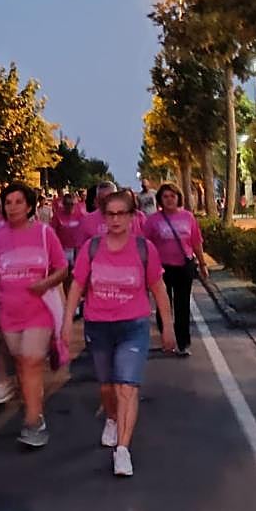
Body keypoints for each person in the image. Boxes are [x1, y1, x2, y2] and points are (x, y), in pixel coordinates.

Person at [63, 191, 174, 476]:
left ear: (132, 216)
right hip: (98, 325)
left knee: (127, 386)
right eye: (110, 214)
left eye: (121, 213)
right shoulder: (92, 248)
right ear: (103, 216)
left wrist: (167, 326)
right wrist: (66, 322)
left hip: (133, 325)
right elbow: (77, 286)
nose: (115, 219)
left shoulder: (144, 249)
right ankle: (111, 418)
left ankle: (122, 449)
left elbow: (159, 289)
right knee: (107, 386)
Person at [0, 182, 68, 447]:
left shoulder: (45, 233)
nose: (12, 207)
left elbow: (62, 268)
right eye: (8, 202)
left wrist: (45, 284)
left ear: (30, 206)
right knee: (21, 362)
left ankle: (33, 422)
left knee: (31, 360)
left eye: (18, 202)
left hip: (38, 310)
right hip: (9, 312)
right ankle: (34, 405)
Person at [144, 182, 208, 357]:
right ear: (160, 199)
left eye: (173, 196)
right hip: (161, 270)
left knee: (182, 306)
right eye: (165, 196)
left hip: (183, 267)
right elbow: (145, 245)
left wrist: (202, 264)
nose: (169, 200)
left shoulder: (188, 217)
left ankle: (183, 342)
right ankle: (167, 337)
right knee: (164, 306)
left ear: (179, 198)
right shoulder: (153, 221)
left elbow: (196, 242)